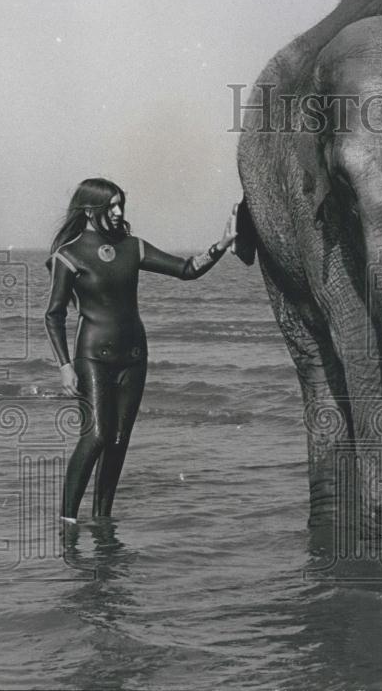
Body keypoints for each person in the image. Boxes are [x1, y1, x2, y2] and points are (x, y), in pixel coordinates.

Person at [45, 178, 236, 523]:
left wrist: (220, 245)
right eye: (111, 206)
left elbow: (186, 270)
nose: (119, 212)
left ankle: (102, 517)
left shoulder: (134, 247)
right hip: (92, 357)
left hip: (134, 357)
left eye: (121, 205)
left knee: (118, 438)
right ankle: (67, 520)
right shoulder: (69, 254)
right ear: (90, 210)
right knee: (98, 434)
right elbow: (53, 315)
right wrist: (64, 366)